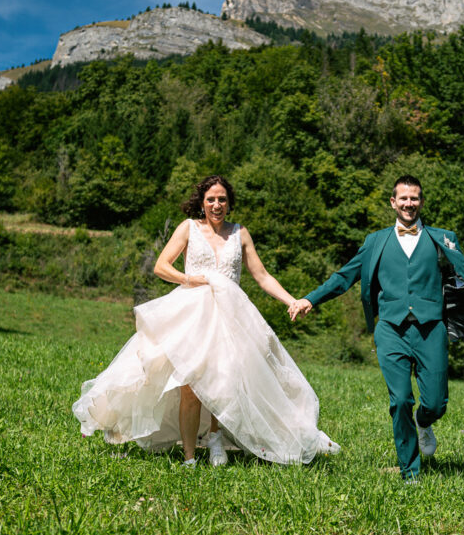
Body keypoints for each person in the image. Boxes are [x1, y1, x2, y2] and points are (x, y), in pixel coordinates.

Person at [74, 175, 339, 466]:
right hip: (193, 315)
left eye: (222, 199)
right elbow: (162, 266)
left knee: (222, 379)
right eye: (211, 199)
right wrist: (190, 279)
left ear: (229, 204)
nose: (216, 204)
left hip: (231, 316)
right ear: (202, 202)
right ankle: (189, 457)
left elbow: (261, 276)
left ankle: (215, 440)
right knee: (189, 384)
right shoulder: (189, 228)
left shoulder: (240, 234)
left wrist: (291, 300)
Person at [290, 175, 464, 482]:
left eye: (414, 198)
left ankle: (424, 422)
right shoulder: (375, 242)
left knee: (436, 403)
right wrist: (310, 299)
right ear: (393, 203)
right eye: (403, 198)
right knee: (400, 400)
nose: (409, 203)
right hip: (390, 330)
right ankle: (410, 472)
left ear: (421, 202)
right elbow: (344, 276)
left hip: (431, 329)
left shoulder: (442, 238)